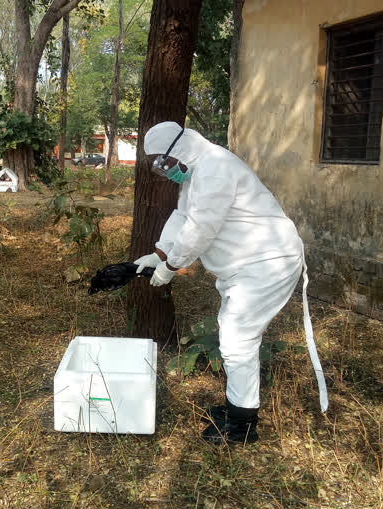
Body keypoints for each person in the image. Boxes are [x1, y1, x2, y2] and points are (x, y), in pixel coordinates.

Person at [134, 121, 328, 444]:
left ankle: (242, 425)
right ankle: (238, 407)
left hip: (269, 263)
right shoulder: (198, 171)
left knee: (238, 337)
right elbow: (182, 217)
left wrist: (169, 267)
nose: (166, 172)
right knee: (234, 335)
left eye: (163, 164)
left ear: (178, 150)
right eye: (158, 168)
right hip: (250, 265)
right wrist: (158, 254)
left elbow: (200, 229)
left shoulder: (214, 168)